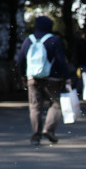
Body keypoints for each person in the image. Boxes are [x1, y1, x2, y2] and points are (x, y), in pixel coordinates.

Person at [14, 16, 73, 146]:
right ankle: (49, 129)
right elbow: (60, 60)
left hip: (33, 79)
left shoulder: (29, 40)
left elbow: (20, 60)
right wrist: (67, 77)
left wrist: (23, 76)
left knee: (35, 108)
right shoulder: (54, 40)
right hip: (52, 79)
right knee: (56, 104)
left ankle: (35, 136)